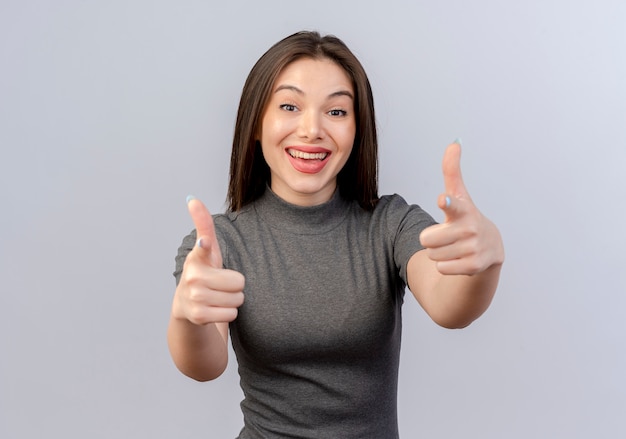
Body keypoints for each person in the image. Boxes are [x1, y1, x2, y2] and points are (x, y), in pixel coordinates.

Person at [168, 30, 504, 438]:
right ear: (256, 124)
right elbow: (204, 366)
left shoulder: (390, 224)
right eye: (289, 106)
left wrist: (485, 262)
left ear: (357, 130)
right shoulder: (218, 245)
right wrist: (187, 315)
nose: (312, 130)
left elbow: (451, 307)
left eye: (337, 112)